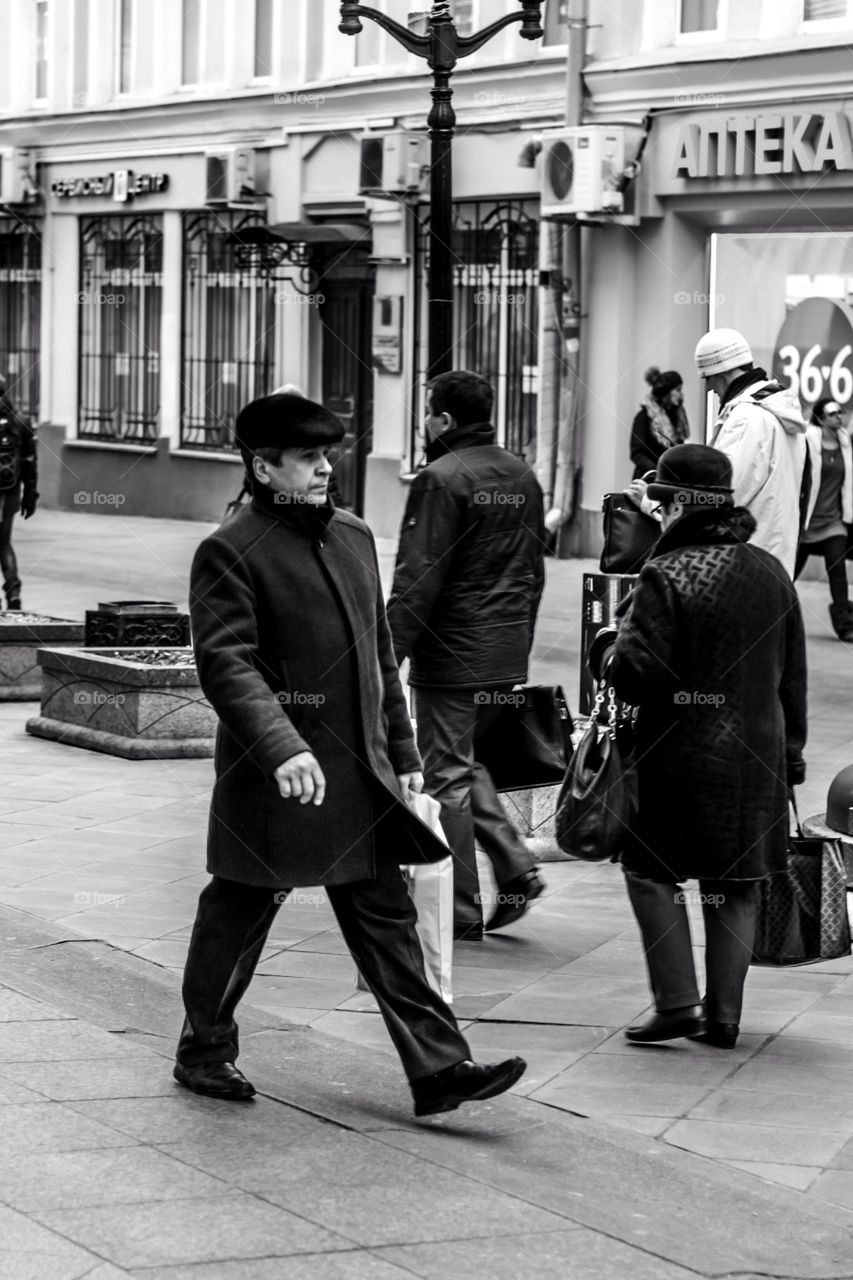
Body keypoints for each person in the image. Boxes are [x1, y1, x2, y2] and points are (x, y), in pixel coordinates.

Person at [176, 391, 526, 1117]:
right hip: (278, 782)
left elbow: (378, 654)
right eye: (306, 458)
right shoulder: (230, 549)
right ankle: (203, 1049)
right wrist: (281, 746)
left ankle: (440, 1069)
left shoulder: (353, 535)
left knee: (388, 921)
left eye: (325, 454)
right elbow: (227, 665)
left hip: (358, 777)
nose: (323, 468)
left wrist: (401, 749)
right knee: (237, 916)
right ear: (262, 465)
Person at [589, 444, 807, 1050]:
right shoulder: (769, 571)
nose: (656, 514)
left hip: (681, 752)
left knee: (649, 871)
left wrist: (606, 647)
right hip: (758, 752)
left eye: (660, 501)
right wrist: (792, 757)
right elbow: (793, 678)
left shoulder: (666, 573)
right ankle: (726, 1018)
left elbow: (638, 672)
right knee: (735, 880)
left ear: (681, 502)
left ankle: (680, 1003)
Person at [387, 371, 547, 942]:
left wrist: (387, 658)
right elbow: (534, 572)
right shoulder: (521, 474)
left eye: (429, 412)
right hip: (504, 650)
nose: (425, 422)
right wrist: (518, 645)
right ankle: (514, 864)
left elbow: (417, 578)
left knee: (447, 776)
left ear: (445, 420)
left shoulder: (440, 479)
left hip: (454, 655)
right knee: (466, 761)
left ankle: (458, 908)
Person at [694, 328, 807, 577]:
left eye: (708, 378)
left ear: (722, 370)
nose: (709, 388)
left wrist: (656, 504)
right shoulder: (780, 415)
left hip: (743, 570)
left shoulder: (747, 418)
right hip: (772, 563)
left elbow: (721, 498)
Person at [796, 396, 853, 642]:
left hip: (834, 523)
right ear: (820, 418)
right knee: (786, 572)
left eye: (840, 412)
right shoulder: (807, 443)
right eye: (833, 413)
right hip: (806, 522)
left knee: (837, 569)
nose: (839, 416)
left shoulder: (847, 444)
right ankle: (770, 615)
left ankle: (846, 624)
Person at [0, 377, 37, 610]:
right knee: (4, 542)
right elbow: (30, 461)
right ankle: (13, 593)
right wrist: (31, 495)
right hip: (9, 489)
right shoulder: (19, 420)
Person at [629, 367, 689, 479]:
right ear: (666, 392)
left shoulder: (677, 417)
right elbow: (637, 453)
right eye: (677, 390)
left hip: (669, 479)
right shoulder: (644, 417)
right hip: (649, 479)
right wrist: (654, 471)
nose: (681, 395)